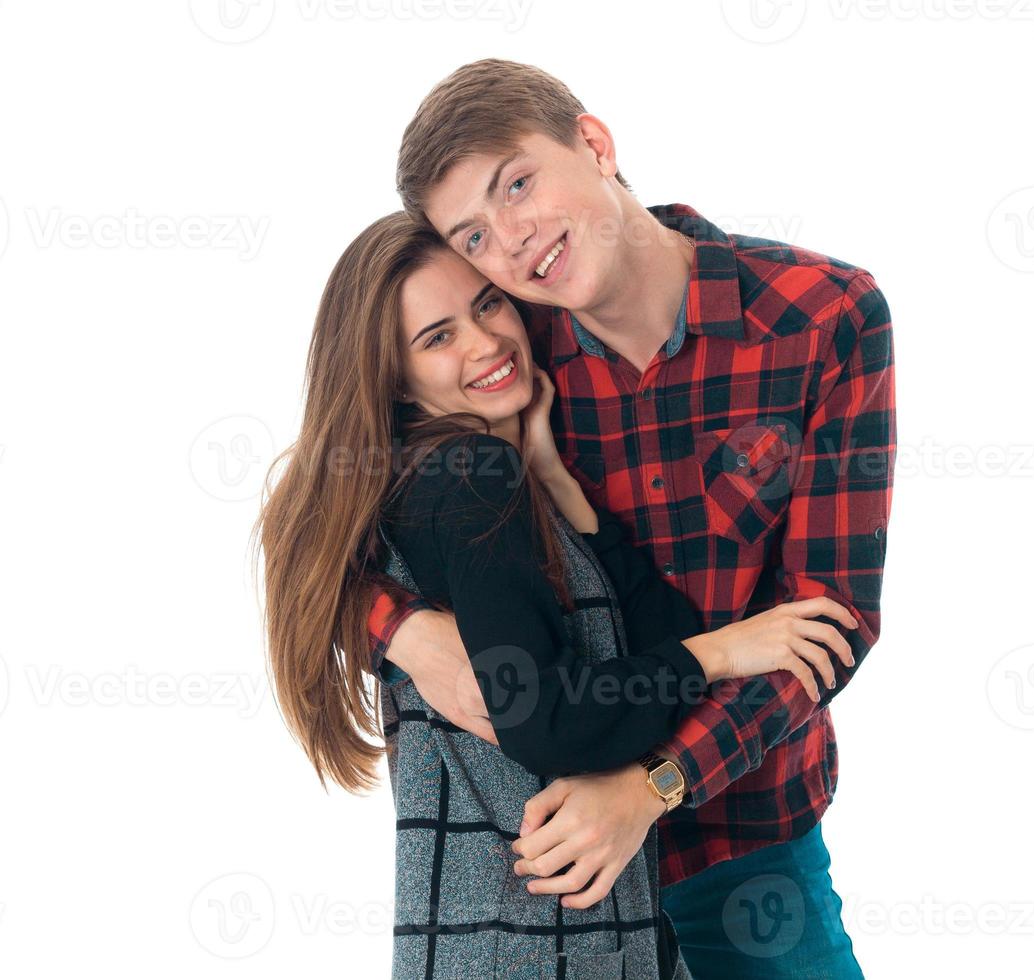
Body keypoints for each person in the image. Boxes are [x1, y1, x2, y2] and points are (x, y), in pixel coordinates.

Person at [363, 60, 897, 979]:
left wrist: (654, 787)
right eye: (476, 235)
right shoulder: (507, 357)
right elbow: (337, 513)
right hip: (558, 876)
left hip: (742, 838)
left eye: (519, 184)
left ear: (595, 145)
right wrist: (400, 628)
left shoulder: (823, 317)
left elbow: (829, 625)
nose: (514, 242)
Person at [254, 211, 859, 979]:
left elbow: (649, 633)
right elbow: (552, 723)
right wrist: (727, 648)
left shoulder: (455, 476)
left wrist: (552, 477)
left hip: (555, 928)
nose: (484, 342)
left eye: (487, 305)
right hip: (541, 944)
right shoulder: (468, 477)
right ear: (391, 377)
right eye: (436, 338)